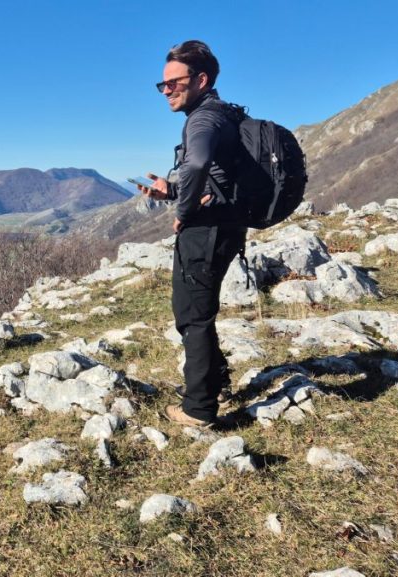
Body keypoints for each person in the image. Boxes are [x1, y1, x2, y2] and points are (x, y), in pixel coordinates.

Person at [136, 40, 247, 428]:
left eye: (173, 82)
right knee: (199, 311)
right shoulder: (222, 114)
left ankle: (198, 409)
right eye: (161, 85)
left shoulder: (201, 119)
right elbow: (214, 175)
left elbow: (198, 161)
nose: (166, 90)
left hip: (206, 231)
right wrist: (173, 190)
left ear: (200, 79)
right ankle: (215, 381)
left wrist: (183, 211)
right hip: (227, 225)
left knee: (192, 316)